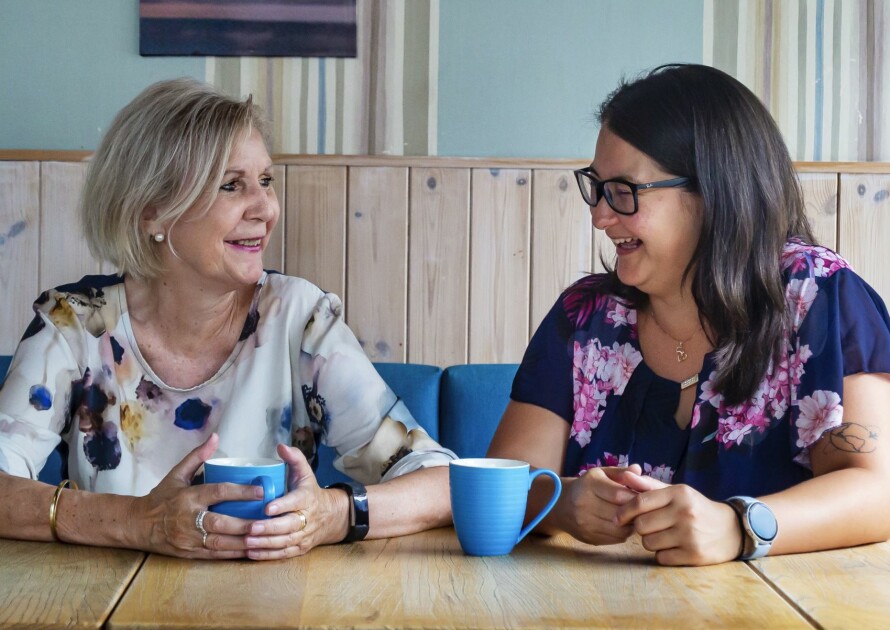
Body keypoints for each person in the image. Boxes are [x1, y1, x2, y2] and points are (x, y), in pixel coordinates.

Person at [0, 78, 455, 560]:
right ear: (151, 211)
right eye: (231, 185)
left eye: (265, 181)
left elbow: (440, 481)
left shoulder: (297, 319)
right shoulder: (75, 326)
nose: (266, 209)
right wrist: (138, 523)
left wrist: (332, 515)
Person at [488, 64, 890, 566]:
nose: (599, 216)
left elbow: (877, 492)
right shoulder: (584, 317)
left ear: (713, 193)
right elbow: (502, 481)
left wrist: (739, 526)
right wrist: (563, 505)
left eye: (624, 191)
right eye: (597, 187)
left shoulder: (817, 295)